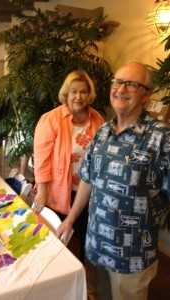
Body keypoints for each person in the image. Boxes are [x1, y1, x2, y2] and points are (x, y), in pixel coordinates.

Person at [57, 62, 170, 300]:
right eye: (117, 82)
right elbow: (88, 179)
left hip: (132, 256)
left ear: (146, 95)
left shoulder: (161, 137)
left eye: (131, 84)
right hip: (96, 245)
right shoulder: (103, 131)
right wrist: (70, 220)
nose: (120, 89)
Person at [33, 70, 104, 261]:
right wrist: (42, 191)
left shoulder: (98, 120)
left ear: (89, 94)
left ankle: (81, 281)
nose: (78, 97)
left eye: (83, 92)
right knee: (54, 242)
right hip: (57, 191)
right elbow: (42, 160)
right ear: (66, 93)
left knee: (84, 238)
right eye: (74, 92)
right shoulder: (51, 119)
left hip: (87, 192)